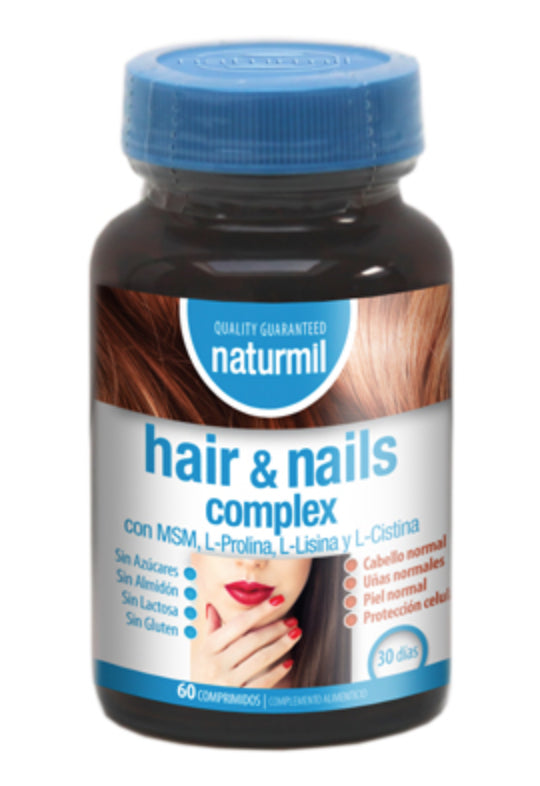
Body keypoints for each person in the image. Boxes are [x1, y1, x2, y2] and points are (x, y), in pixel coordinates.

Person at [189, 554, 351, 688]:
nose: (251, 561)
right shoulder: (174, 667)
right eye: (227, 531)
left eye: (280, 536)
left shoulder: (354, 665)